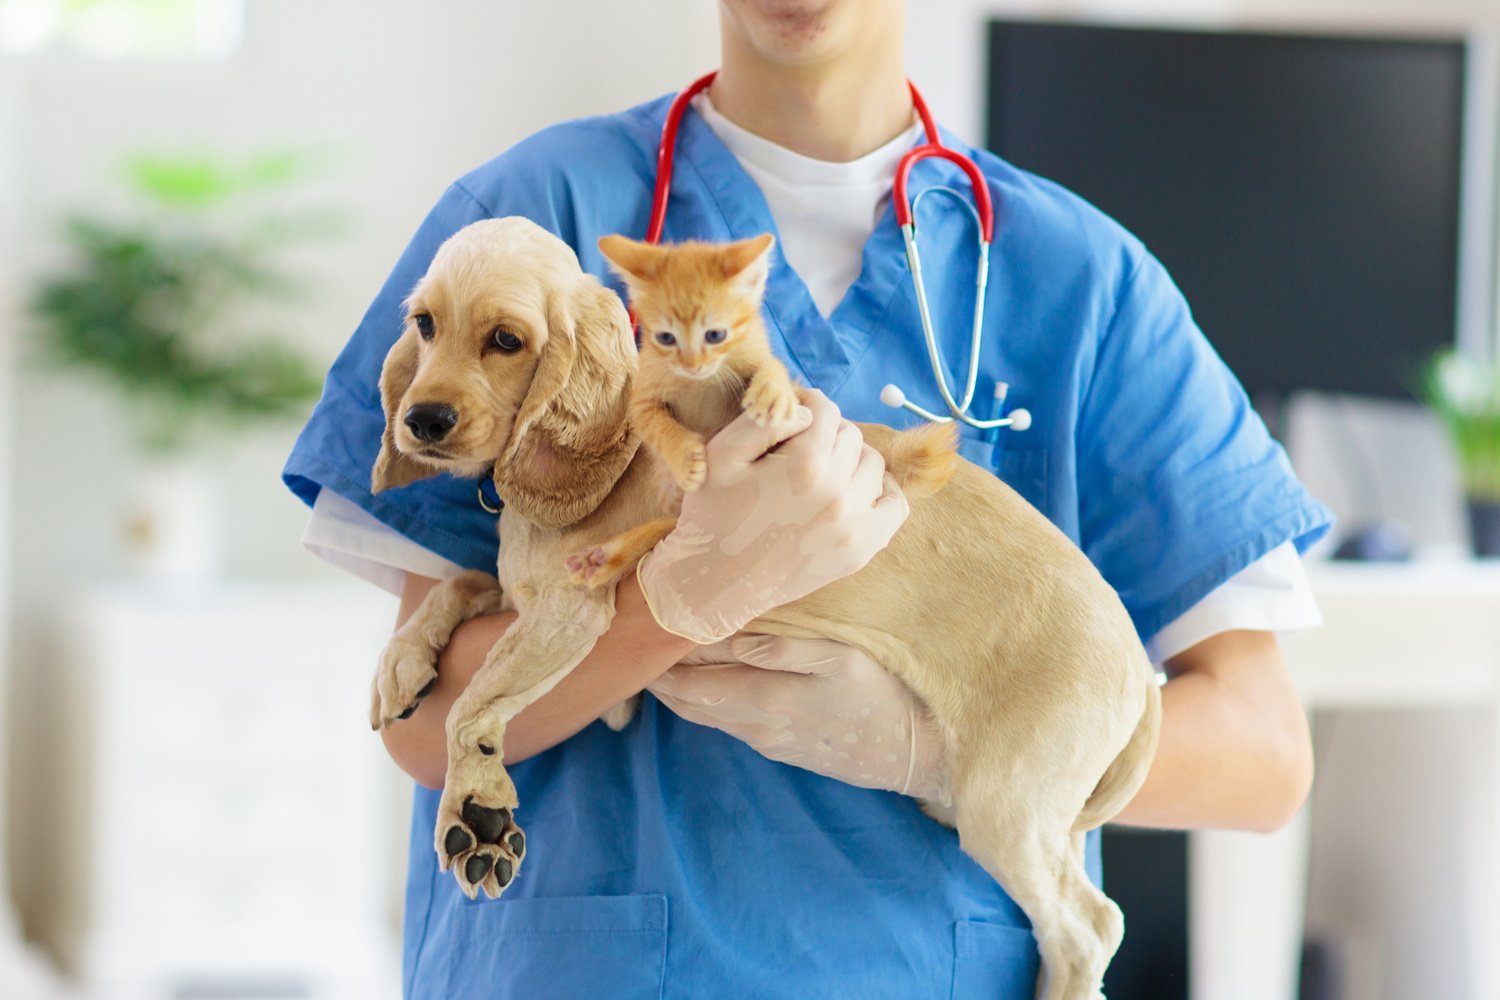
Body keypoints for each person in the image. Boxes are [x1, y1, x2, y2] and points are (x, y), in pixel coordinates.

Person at [283, 1, 1332, 995]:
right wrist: (673, 606)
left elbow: (1264, 754)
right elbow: (424, 731)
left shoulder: (1083, 282)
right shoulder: (535, 226)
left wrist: (944, 749)